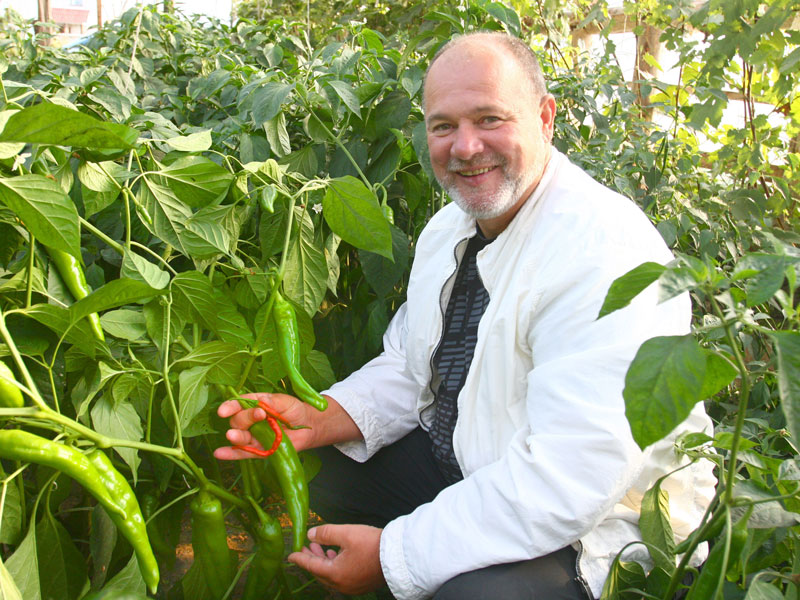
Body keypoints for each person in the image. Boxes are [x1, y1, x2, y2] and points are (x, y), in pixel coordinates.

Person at [215, 31, 716, 600]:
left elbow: (572, 474)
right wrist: (324, 415)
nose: (466, 146)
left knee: (476, 596)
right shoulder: (450, 229)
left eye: (489, 119)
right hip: (470, 461)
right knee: (323, 472)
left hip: (601, 524)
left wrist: (394, 557)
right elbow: (414, 363)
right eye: (443, 126)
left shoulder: (604, 253)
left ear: (545, 118)